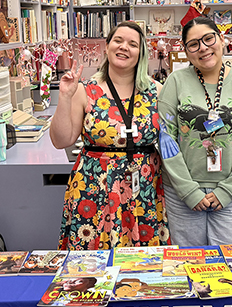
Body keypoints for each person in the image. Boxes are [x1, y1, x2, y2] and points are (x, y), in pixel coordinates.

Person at [51, 20, 169, 250]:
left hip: (143, 187)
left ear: (141, 53)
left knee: (144, 263)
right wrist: (64, 97)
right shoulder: (85, 90)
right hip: (95, 186)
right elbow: (61, 141)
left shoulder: (157, 91)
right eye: (118, 40)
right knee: (93, 260)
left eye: (132, 44)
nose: (124, 47)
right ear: (107, 46)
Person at [158, 16, 232, 246]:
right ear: (187, 52)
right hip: (183, 194)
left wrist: (228, 191)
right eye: (194, 44)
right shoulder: (176, 82)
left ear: (222, 39)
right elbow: (165, 138)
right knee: (190, 265)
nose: (204, 48)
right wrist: (189, 191)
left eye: (209, 38)